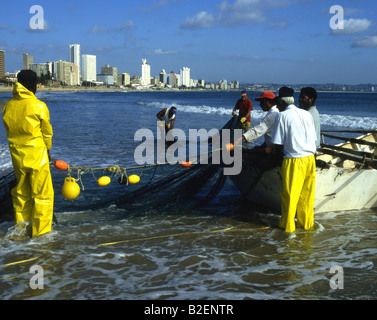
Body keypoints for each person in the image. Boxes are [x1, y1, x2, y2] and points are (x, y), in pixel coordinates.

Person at [2, 70, 54, 238]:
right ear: (33, 85)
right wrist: (48, 150)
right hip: (37, 154)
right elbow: (46, 132)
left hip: (17, 154)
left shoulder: (8, 106)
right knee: (42, 195)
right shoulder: (38, 105)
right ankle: (41, 235)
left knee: (21, 193)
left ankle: (21, 229)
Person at [270, 86, 317, 233]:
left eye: (277, 103)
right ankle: (307, 226)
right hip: (310, 159)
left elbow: (277, 144)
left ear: (282, 102)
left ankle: (288, 228)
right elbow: (313, 139)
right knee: (307, 196)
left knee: (290, 196)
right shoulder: (306, 114)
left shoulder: (282, 116)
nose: (276, 106)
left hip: (294, 160)